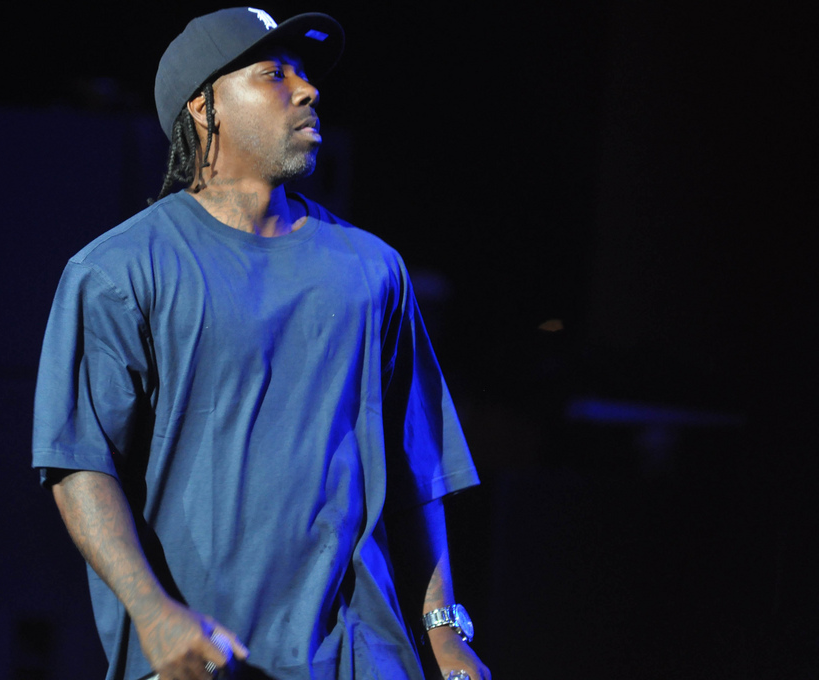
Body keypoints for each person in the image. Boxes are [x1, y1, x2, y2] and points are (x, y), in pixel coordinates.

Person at [32, 7, 490, 680]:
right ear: (203, 106)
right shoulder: (118, 271)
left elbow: (416, 468)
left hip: (361, 658)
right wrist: (154, 613)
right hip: (203, 657)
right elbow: (80, 465)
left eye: (304, 74)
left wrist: (444, 630)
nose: (307, 90)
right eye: (274, 73)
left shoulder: (371, 270)